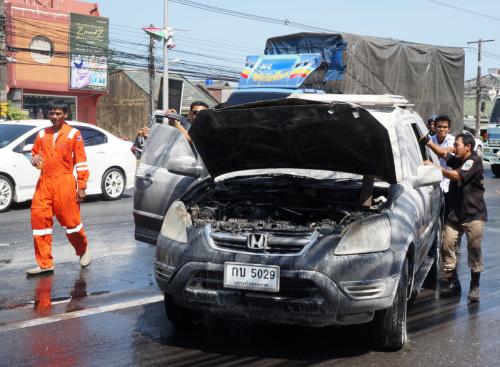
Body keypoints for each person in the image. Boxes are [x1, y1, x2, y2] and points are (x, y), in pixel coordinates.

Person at [26, 101, 91, 276]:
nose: (54, 116)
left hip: (65, 182)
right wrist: (34, 159)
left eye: (58, 113)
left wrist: (82, 186)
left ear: (66, 115)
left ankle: (83, 249)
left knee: (71, 224)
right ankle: (45, 263)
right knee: (39, 220)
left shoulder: (73, 134)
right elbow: (35, 154)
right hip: (44, 182)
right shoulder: (41, 134)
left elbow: (81, 161)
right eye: (52, 113)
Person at [424, 133, 487, 301]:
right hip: (455, 214)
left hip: (473, 213)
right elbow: (443, 153)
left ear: (468, 147)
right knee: (446, 246)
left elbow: (457, 175)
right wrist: (428, 142)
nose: (454, 147)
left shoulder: (473, 161)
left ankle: (475, 286)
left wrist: (435, 168)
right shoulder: (460, 158)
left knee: (474, 249)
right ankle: (453, 283)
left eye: (457, 144)